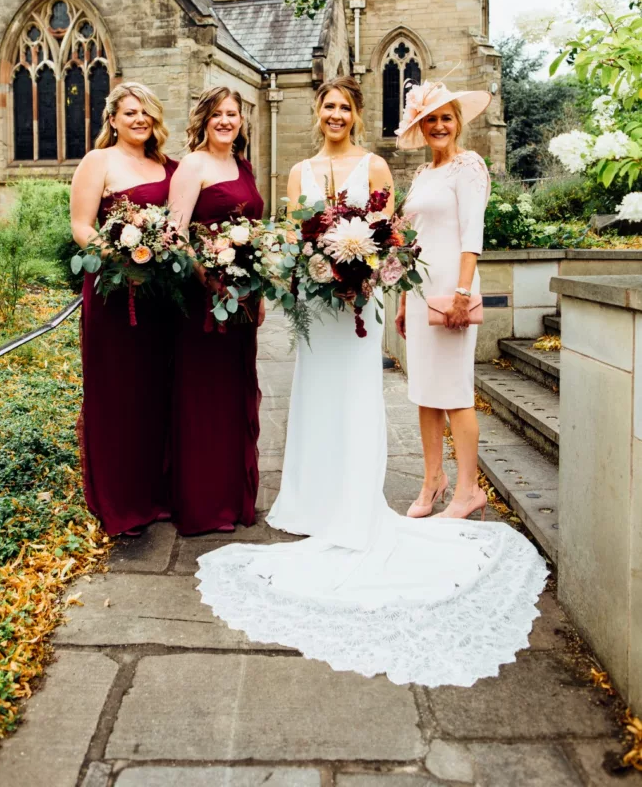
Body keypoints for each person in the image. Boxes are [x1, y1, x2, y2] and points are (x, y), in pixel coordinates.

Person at [195, 75, 547, 687]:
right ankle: (312, 497)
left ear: (356, 115)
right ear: (318, 112)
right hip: (316, 308)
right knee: (316, 395)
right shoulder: (299, 172)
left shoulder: (379, 166)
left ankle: (362, 495)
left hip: (359, 306)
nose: (335, 114)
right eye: (327, 106)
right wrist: (305, 270)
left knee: (361, 397)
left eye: (345, 107)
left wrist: (366, 276)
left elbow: (390, 240)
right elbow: (287, 236)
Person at [71, 81, 177, 537]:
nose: (139, 120)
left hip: (159, 297)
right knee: (117, 393)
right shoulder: (99, 161)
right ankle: (120, 502)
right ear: (112, 119)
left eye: (146, 113)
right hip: (115, 293)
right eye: (130, 113)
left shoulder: (165, 166)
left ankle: (154, 494)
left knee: (155, 391)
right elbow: (81, 225)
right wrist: (119, 259)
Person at [395, 81, 493, 520]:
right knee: (425, 393)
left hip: (453, 291)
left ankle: (469, 489)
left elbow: (472, 234)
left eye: (446, 117)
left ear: (458, 123)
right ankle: (433, 480)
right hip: (418, 294)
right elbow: (409, 241)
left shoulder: (468, 166)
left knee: (455, 392)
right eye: (429, 118)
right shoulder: (421, 175)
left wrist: (461, 292)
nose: (438, 125)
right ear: (421, 125)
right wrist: (401, 299)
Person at [168, 86, 264, 535]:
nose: (227, 121)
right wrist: (206, 274)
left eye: (234, 114)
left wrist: (256, 291)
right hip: (202, 299)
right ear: (204, 120)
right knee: (203, 396)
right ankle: (203, 504)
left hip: (243, 297)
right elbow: (177, 232)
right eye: (218, 114)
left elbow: (255, 232)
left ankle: (233, 497)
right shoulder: (193, 165)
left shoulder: (242, 166)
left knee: (233, 393)